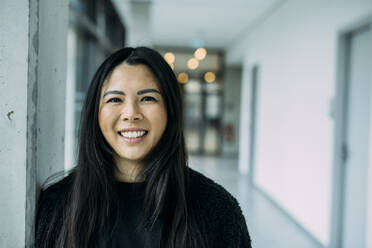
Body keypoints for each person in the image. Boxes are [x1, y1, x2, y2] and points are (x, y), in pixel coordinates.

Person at [34, 47, 252, 248]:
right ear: (95, 113)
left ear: (170, 111)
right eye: (115, 99)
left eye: (148, 98)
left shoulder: (216, 210)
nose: (131, 113)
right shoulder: (58, 206)